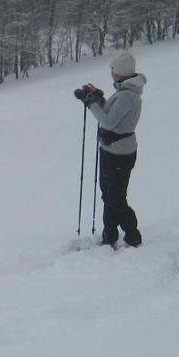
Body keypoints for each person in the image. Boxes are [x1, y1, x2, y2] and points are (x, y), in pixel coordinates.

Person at [75, 52, 146, 248]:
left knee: (115, 197)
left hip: (120, 154)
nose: (112, 72)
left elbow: (108, 121)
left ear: (121, 72)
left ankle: (132, 234)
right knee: (108, 193)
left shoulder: (127, 96)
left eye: (113, 69)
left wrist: (90, 103)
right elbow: (111, 113)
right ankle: (110, 234)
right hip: (112, 150)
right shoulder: (124, 91)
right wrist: (99, 98)